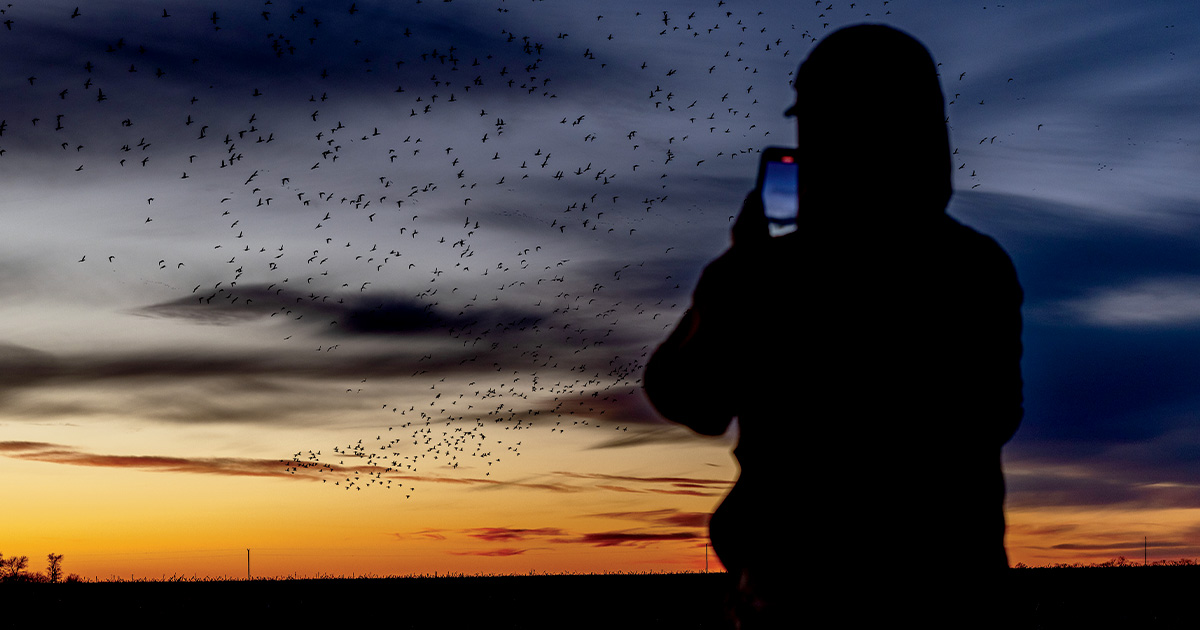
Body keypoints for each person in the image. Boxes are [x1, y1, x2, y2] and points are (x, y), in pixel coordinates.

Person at [643, 24, 1023, 628]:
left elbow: (689, 396)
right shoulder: (977, 265)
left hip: (798, 603)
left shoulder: (774, 274)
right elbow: (994, 415)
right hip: (955, 600)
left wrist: (742, 271)